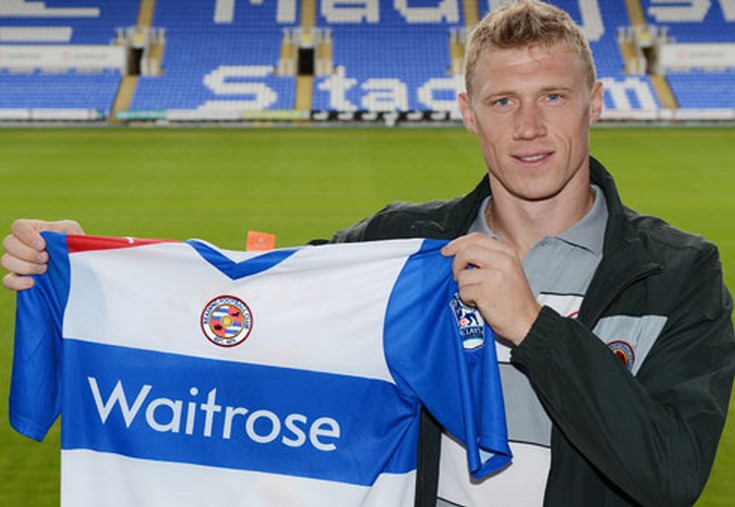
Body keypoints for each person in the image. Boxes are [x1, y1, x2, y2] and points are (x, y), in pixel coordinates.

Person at [3, 1, 734, 506]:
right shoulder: (401, 245)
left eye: (553, 96)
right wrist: (90, 265)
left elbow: (668, 477)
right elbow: (252, 305)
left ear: (596, 101)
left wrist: (535, 328)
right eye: (503, 101)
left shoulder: (675, 271)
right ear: (467, 113)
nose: (529, 126)